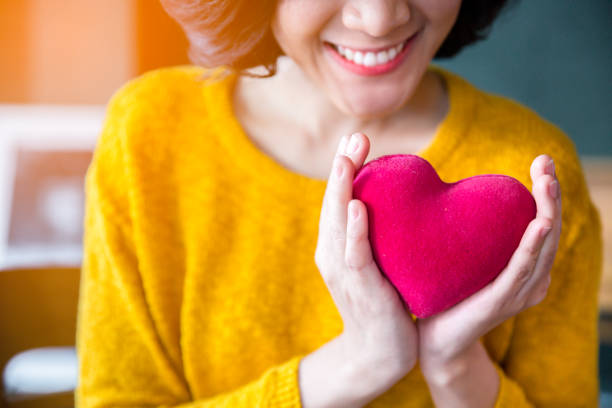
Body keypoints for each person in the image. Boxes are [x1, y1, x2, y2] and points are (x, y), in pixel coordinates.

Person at [75, 0, 603, 407]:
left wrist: (455, 365)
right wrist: (359, 364)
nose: (378, 19)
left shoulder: (535, 173)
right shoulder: (149, 136)